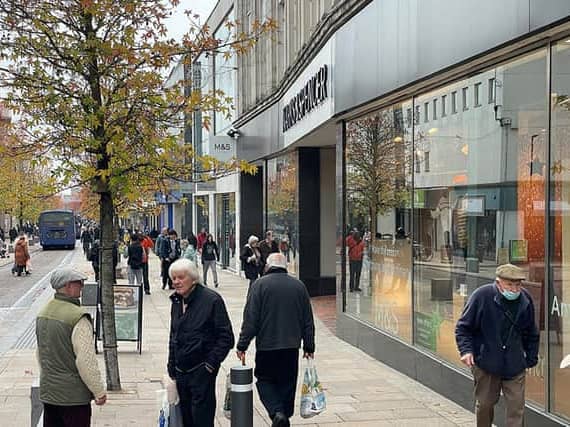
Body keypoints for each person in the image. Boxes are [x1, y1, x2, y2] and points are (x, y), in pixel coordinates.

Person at [236, 253, 315, 427]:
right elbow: (307, 320)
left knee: (264, 380)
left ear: (267, 266)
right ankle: (283, 415)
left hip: (267, 346)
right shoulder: (299, 286)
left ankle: (277, 413)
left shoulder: (259, 285)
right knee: (287, 382)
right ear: (285, 266)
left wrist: (242, 344)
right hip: (291, 346)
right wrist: (309, 346)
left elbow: (251, 319)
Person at [455, 263, 539, 427]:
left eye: (518, 285)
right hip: (487, 362)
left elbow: (531, 331)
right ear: (498, 282)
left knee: (517, 409)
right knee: (485, 405)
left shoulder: (525, 299)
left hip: (514, 364)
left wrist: (530, 357)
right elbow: (463, 327)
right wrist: (466, 351)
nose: (514, 290)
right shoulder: (482, 296)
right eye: (510, 284)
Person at [167, 258, 234, 427]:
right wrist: (171, 365)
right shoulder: (176, 301)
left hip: (201, 370)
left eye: (181, 277)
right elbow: (174, 335)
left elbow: (226, 338)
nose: (176, 282)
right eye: (173, 278)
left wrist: (210, 365)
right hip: (181, 371)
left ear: (193, 278)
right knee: (186, 419)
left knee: (202, 420)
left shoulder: (211, 300)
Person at [36, 267, 106, 426]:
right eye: (79, 282)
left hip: (49, 393)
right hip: (73, 397)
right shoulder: (78, 317)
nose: (82, 285)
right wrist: (98, 391)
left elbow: (40, 353)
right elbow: (86, 361)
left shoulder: (43, 313)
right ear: (67, 286)